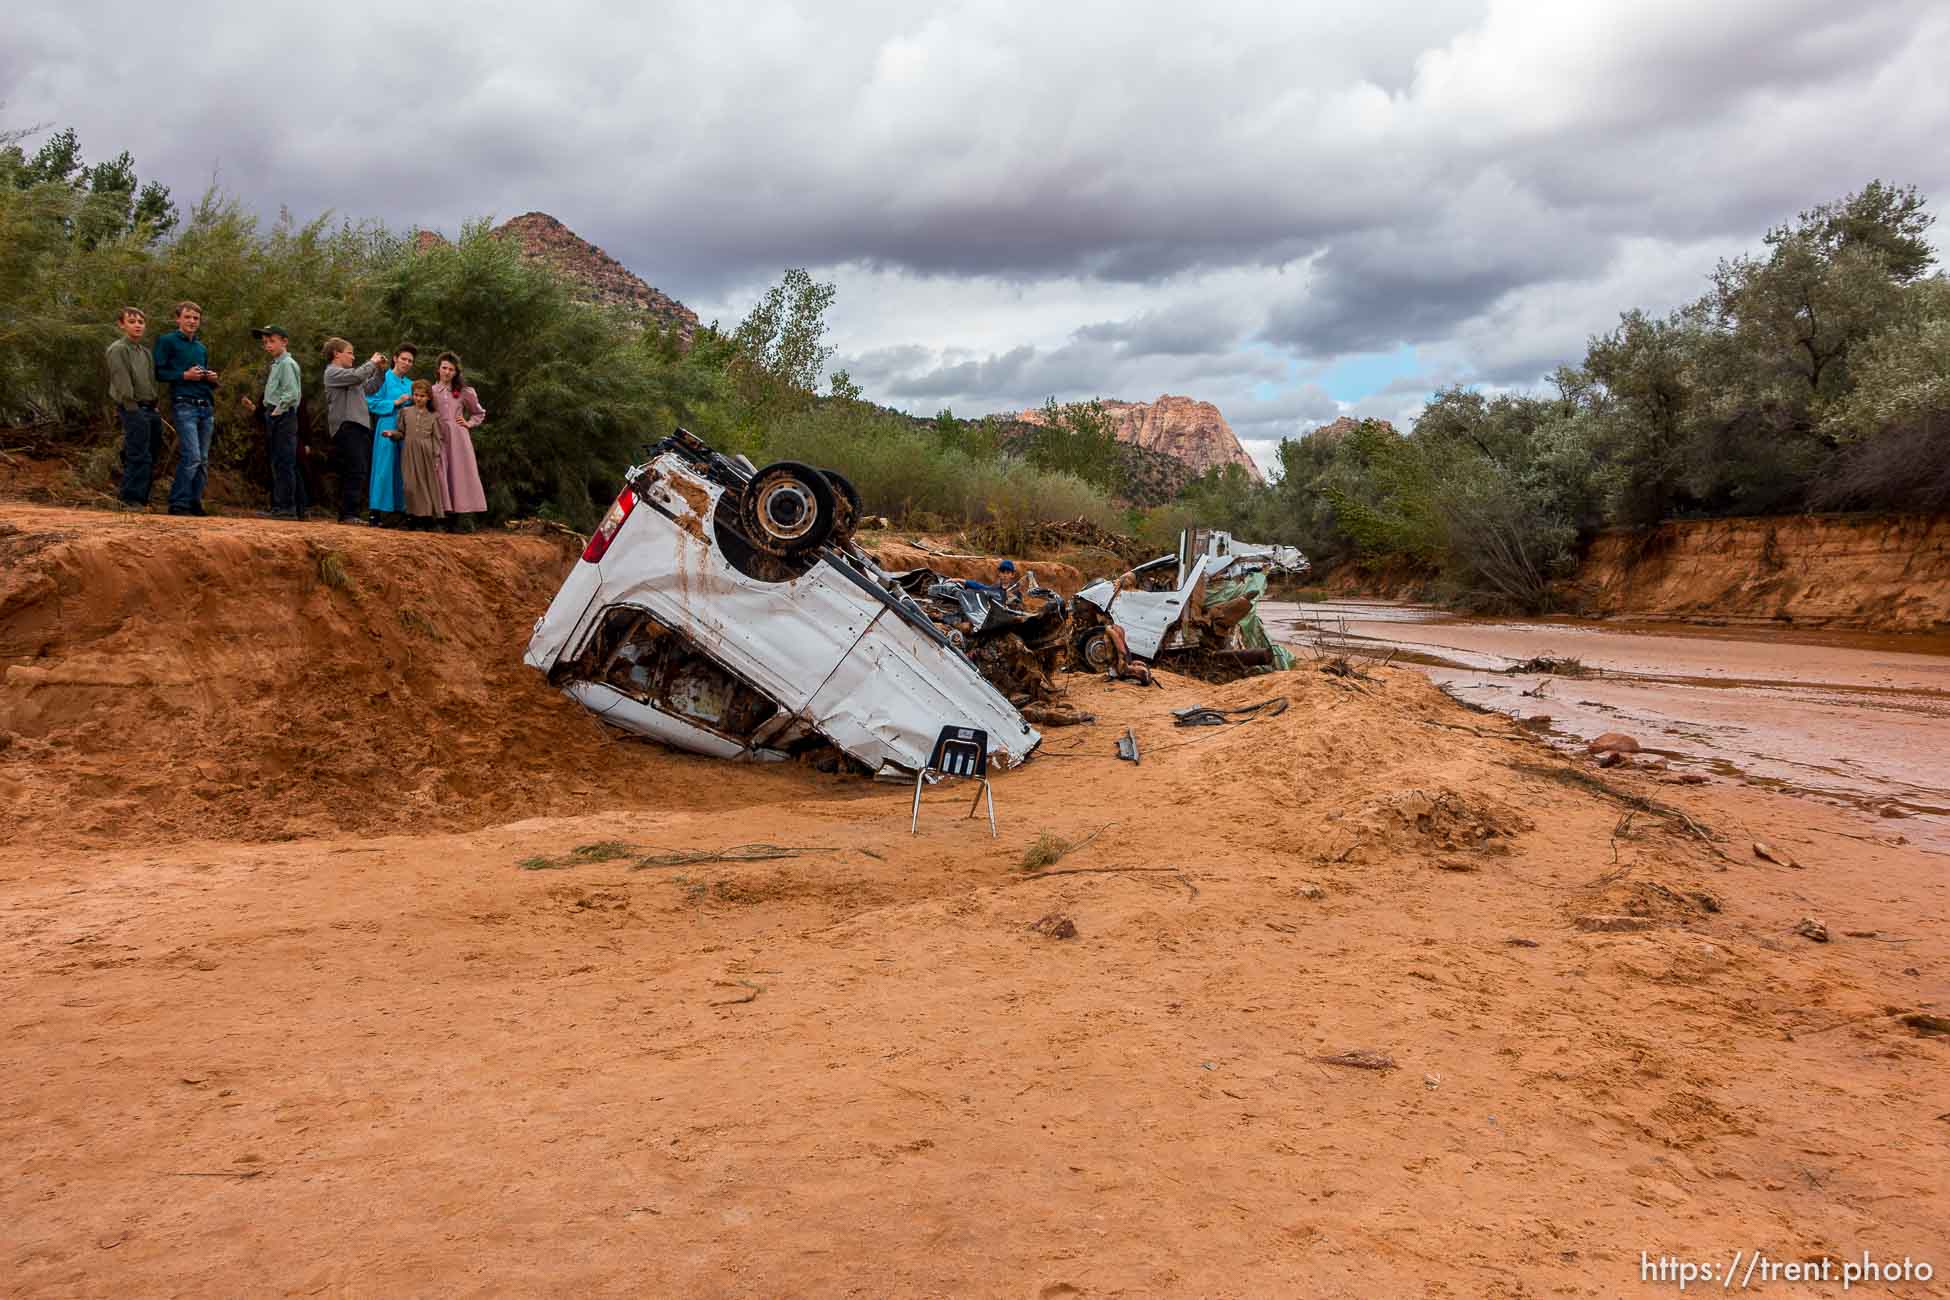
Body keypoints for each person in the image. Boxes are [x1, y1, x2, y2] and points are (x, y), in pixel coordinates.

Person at [151, 301, 220, 516]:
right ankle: (178, 503)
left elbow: (204, 376)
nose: (192, 321)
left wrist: (212, 378)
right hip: (184, 404)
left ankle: (194, 502)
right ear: (177, 318)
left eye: (196, 318)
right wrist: (183, 375)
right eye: (188, 317)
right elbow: (158, 372)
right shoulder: (167, 341)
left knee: (203, 459)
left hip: (205, 406)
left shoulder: (201, 347)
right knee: (192, 456)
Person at [321, 338, 387, 525]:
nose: (353, 356)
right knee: (354, 470)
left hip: (358, 427)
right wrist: (372, 362)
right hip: (347, 426)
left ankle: (349, 513)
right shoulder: (332, 373)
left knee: (357, 470)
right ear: (336, 354)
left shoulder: (349, 375)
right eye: (349, 352)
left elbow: (369, 387)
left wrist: (380, 372)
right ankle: (349, 514)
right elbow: (359, 376)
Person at [239, 325, 303, 519]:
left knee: (284, 462)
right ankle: (281, 506)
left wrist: (277, 411)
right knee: (278, 462)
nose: (268, 345)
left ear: (284, 341)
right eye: (265, 342)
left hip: (283, 416)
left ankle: (286, 508)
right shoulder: (276, 364)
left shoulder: (286, 363)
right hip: (276, 415)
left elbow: (291, 393)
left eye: (272, 341)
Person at [105, 307, 162, 510]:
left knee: (152, 452)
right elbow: (121, 381)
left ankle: (142, 498)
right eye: (132, 321)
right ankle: (129, 499)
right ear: (121, 324)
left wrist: (154, 406)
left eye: (140, 321)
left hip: (150, 408)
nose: (137, 325)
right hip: (132, 407)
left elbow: (149, 381)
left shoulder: (145, 352)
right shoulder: (118, 349)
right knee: (138, 453)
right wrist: (132, 408)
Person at [428, 351, 486, 530]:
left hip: (458, 439)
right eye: (444, 368)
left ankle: (459, 519)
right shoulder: (430, 391)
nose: (447, 372)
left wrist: (468, 423)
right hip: (437, 435)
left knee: (458, 474)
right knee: (439, 473)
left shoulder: (464, 392)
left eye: (451, 369)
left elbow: (479, 412)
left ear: (455, 372)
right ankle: (440, 517)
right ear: (438, 369)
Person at [366, 344, 416, 524]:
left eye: (410, 361)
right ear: (395, 358)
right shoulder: (383, 378)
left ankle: (401, 512)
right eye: (404, 359)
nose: (407, 363)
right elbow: (370, 402)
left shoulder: (411, 385)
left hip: (406, 430)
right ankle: (375, 512)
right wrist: (395, 402)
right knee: (383, 467)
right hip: (386, 423)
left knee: (403, 468)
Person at [396, 379, 449, 528]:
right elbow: (401, 432)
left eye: (422, 396)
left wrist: (436, 456)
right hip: (409, 452)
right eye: (416, 395)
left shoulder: (434, 416)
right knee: (409, 485)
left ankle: (425, 519)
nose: (418, 398)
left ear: (428, 398)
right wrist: (391, 434)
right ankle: (411, 516)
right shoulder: (405, 412)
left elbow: (437, 438)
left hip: (426, 454)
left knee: (425, 485)